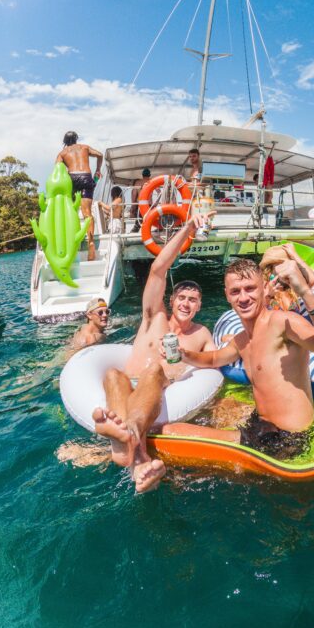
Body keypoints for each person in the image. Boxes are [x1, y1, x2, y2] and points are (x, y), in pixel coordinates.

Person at [162, 258, 314, 459]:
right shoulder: (242, 340)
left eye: (250, 288)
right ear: (227, 295)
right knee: (219, 408)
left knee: (170, 431)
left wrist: (305, 291)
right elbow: (214, 358)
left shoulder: (282, 322)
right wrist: (184, 354)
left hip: (287, 439)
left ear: (264, 288)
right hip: (261, 426)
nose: (243, 298)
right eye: (235, 291)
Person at [91, 212, 216, 492]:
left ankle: (128, 437)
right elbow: (158, 269)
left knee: (156, 370)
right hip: (129, 387)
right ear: (170, 300)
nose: (186, 303)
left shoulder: (201, 335)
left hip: (159, 389)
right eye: (181, 297)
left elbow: (215, 363)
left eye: (193, 300)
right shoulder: (155, 318)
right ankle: (136, 454)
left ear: (199, 306)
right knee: (112, 374)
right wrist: (188, 229)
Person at [55, 131, 104, 261]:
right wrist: (98, 170)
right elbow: (100, 155)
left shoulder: (62, 153)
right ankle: (91, 242)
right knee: (87, 212)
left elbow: (57, 170)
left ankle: (72, 238)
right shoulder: (84, 147)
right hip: (86, 177)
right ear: (76, 139)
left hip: (73, 178)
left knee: (72, 210)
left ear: (65, 141)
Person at [130, 168, 151, 233]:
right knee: (149, 220)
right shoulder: (152, 181)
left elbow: (134, 195)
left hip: (140, 205)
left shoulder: (138, 183)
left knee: (139, 221)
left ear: (142, 175)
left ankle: (135, 231)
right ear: (149, 175)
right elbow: (159, 192)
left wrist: (133, 207)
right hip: (149, 205)